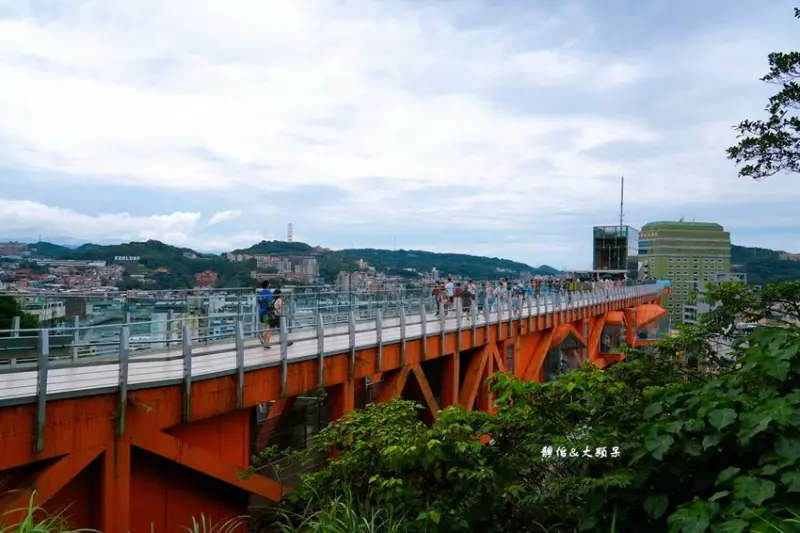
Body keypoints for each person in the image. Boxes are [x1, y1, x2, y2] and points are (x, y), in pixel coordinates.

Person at [257, 280, 273, 348]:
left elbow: (258, 302)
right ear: (268, 285)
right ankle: (266, 343)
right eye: (269, 283)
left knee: (263, 327)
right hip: (266, 313)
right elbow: (269, 302)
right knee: (268, 328)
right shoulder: (269, 292)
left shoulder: (260, 293)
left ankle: (264, 340)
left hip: (260, 312)